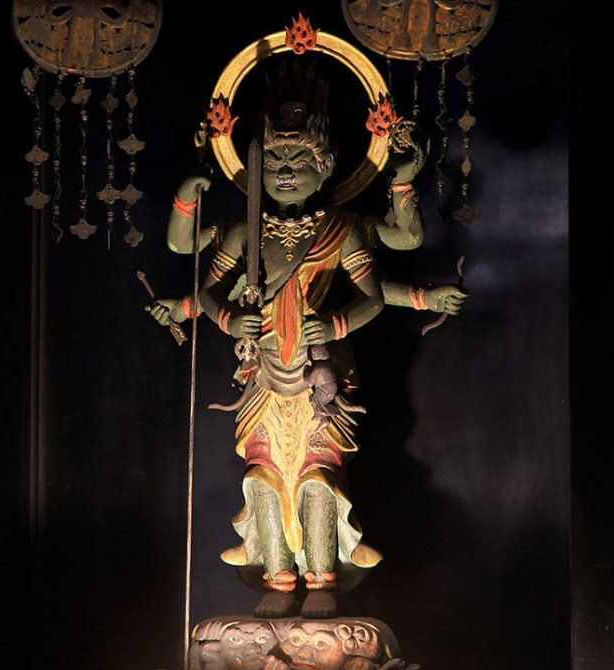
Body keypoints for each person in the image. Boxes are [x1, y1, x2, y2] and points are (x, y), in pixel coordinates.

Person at [163, 62, 459, 620]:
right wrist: (228, 319)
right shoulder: (245, 231)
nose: (285, 171)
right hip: (261, 379)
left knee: (318, 480)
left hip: (320, 376)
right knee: (262, 480)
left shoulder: (340, 229)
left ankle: (323, 579)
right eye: (274, 160)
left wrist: (338, 323)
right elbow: (197, 274)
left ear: (325, 169)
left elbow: (377, 292)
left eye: (299, 161)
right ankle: (276, 579)